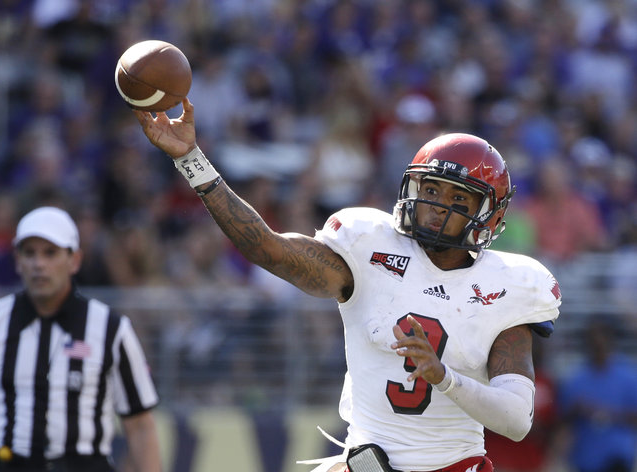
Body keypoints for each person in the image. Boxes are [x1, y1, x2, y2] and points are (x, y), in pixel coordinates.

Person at [134, 99, 562, 472]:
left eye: (457, 199)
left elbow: (516, 418)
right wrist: (191, 158)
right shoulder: (369, 246)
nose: (435, 207)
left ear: (489, 215)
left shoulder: (508, 284)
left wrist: (444, 377)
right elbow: (269, 250)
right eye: (431, 189)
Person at [0, 207, 161, 472]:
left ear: (74, 260)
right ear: (17, 261)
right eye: (30, 253)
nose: (39, 264)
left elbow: (141, 425)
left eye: (50, 253)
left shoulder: (110, 328)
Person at [558, 314, 637, 472]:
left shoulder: (629, 376)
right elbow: (562, 421)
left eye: (601, 335)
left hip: (618, 458)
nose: (597, 341)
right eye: (592, 336)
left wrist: (604, 413)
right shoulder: (576, 379)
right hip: (586, 458)